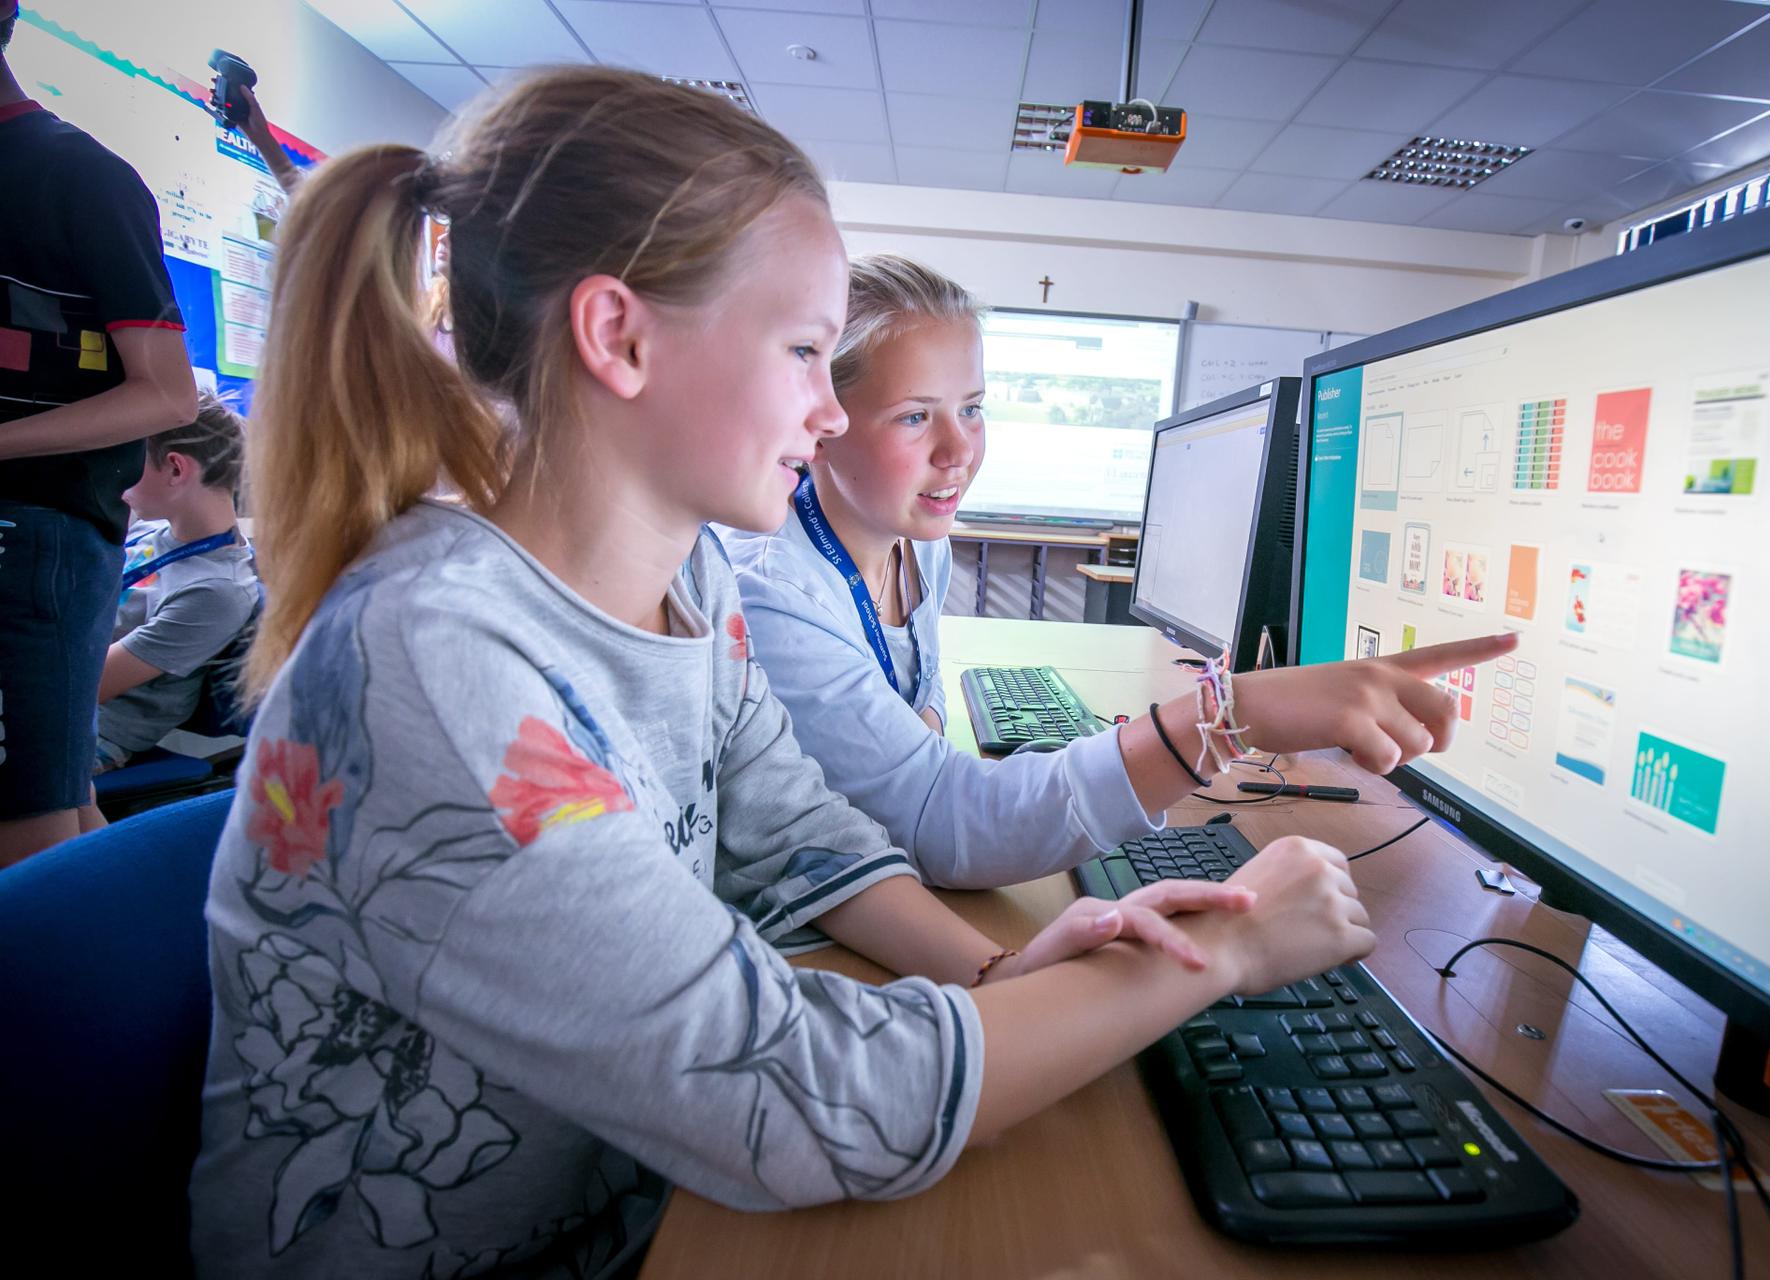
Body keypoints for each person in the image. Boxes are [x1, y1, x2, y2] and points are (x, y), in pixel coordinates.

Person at [190, 68, 1379, 1277]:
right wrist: (1220, 953)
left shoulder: (691, 583)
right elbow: (795, 1097)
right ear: (620, 335)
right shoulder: (439, 660)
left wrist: (1000, 970)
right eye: (808, 349)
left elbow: (802, 835)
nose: (827, 409)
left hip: (639, 1201)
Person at [722, 254, 1516, 889]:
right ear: (822, 424)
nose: (958, 450)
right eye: (913, 416)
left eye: (972, 407)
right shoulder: (772, 592)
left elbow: (920, 718)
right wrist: (1228, 715)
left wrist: (918, 743)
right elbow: (945, 829)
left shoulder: (917, 536)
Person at [0, 0, 198, 866]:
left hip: (34, 534)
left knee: (26, 833)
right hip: (38, 544)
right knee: (60, 807)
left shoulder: (78, 175)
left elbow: (168, 394)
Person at [90, 392, 258, 783]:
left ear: (176, 470)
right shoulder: (150, 531)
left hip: (89, 725)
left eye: (129, 459)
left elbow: (83, 687)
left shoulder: (217, 591)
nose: (116, 471)